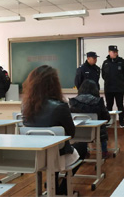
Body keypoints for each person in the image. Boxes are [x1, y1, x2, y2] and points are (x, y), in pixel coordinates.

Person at [22, 65, 87, 195]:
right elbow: (70, 134)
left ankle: (52, 183)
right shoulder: (60, 106)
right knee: (81, 147)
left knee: (53, 147)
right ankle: (62, 189)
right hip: (57, 156)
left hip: (35, 155)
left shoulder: (26, 107)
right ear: (54, 84)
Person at [69, 79, 111, 158]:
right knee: (102, 128)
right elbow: (106, 118)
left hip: (78, 133)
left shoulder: (73, 101)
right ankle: (104, 151)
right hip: (96, 132)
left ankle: (84, 151)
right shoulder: (98, 101)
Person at [102, 45, 124, 127]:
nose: (115, 53)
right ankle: (108, 122)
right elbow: (103, 75)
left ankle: (121, 123)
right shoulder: (105, 63)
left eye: (116, 52)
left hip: (119, 88)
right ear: (109, 52)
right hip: (108, 88)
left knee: (120, 105)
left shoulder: (122, 61)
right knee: (109, 106)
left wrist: (120, 81)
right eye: (113, 52)